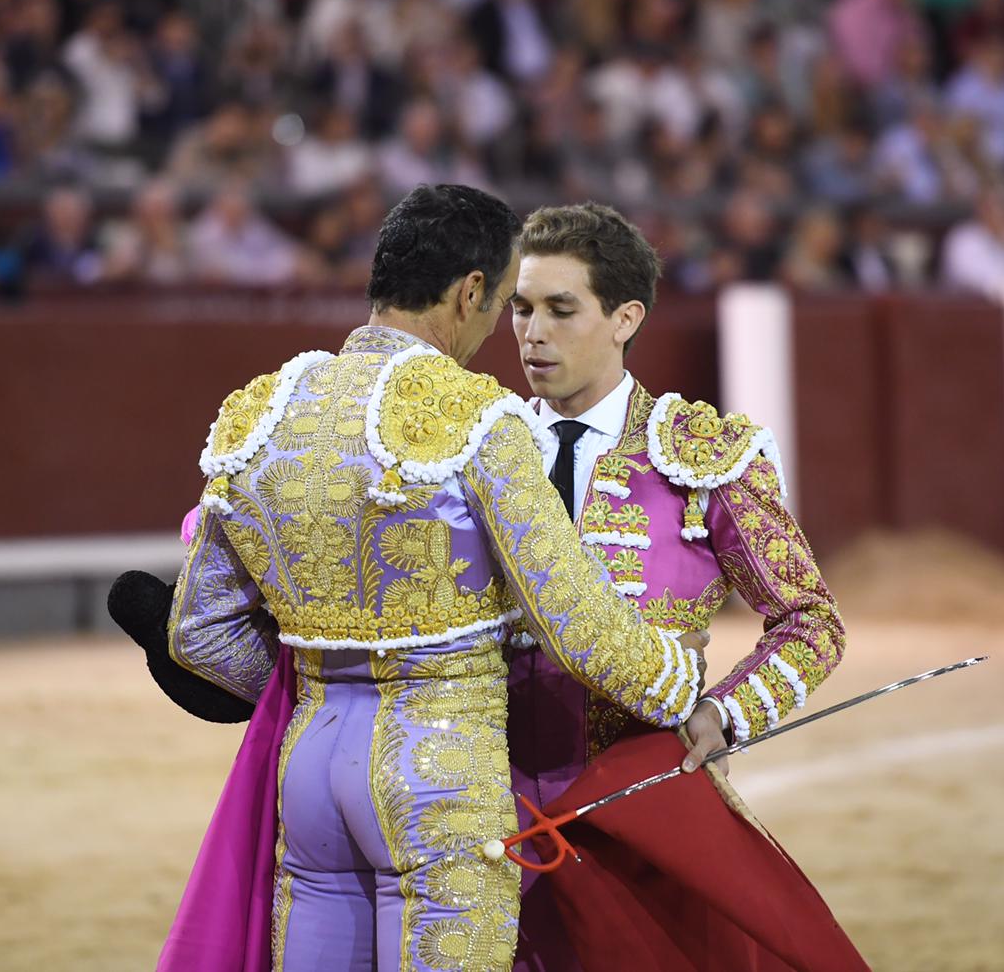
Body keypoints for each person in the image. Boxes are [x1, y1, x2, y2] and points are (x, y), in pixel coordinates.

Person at [119, 184, 716, 971]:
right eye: (502, 302)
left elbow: (198, 632)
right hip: (438, 767)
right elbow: (575, 623)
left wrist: (323, 685)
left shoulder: (260, 413)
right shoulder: (476, 417)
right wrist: (680, 687)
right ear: (470, 292)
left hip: (310, 770)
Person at [506, 202, 850, 970]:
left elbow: (810, 620)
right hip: (485, 811)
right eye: (521, 308)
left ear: (625, 318)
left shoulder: (701, 457)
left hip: (639, 812)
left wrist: (727, 711)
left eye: (561, 309)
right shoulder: (481, 449)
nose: (532, 332)